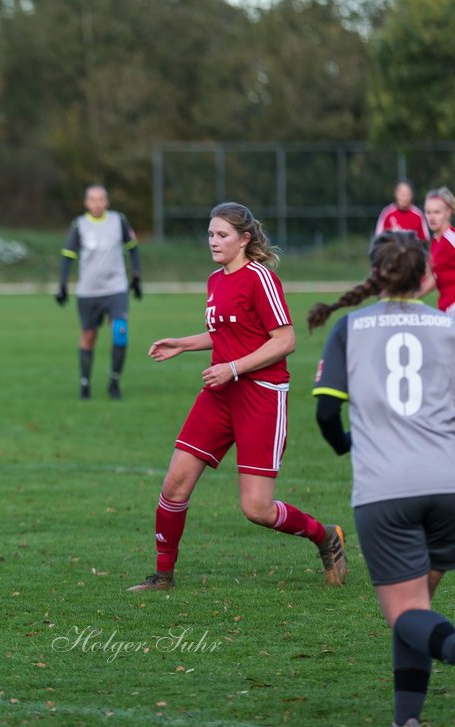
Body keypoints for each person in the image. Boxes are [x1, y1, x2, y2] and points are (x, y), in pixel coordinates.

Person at [127, 202, 347, 592]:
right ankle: (163, 576)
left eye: (222, 235)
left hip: (261, 396)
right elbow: (228, 332)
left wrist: (233, 368)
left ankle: (324, 536)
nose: (214, 241)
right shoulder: (215, 280)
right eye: (211, 234)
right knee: (175, 484)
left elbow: (285, 340)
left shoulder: (260, 278)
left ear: (244, 239)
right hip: (220, 394)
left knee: (257, 509)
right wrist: (184, 343)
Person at [308, 231, 455, 727]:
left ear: (375, 275)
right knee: (417, 613)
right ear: (425, 277)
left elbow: (326, 411)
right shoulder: (448, 325)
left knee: (405, 614)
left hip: (387, 490)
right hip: (449, 486)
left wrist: (346, 443)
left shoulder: (352, 327)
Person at [56, 184, 142, 400]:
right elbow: (68, 256)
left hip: (116, 288)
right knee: (88, 336)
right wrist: (63, 285)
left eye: (100, 199)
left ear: (107, 201)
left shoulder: (118, 220)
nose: (97, 203)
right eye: (92, 199)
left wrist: (137, 277)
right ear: (86, 203)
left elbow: (133, 248)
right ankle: (85, 384)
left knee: (120, 331)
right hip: (88, 291)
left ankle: (114, 383)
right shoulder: (80, 224)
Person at [419, 187, 455, 314]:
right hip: (445, 311)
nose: (431, 217)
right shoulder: (435, 241)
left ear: (448, 212)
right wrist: (413, 297)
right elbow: (436, 276)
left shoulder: (452, 239)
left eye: (436, 212)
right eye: (428, 212)